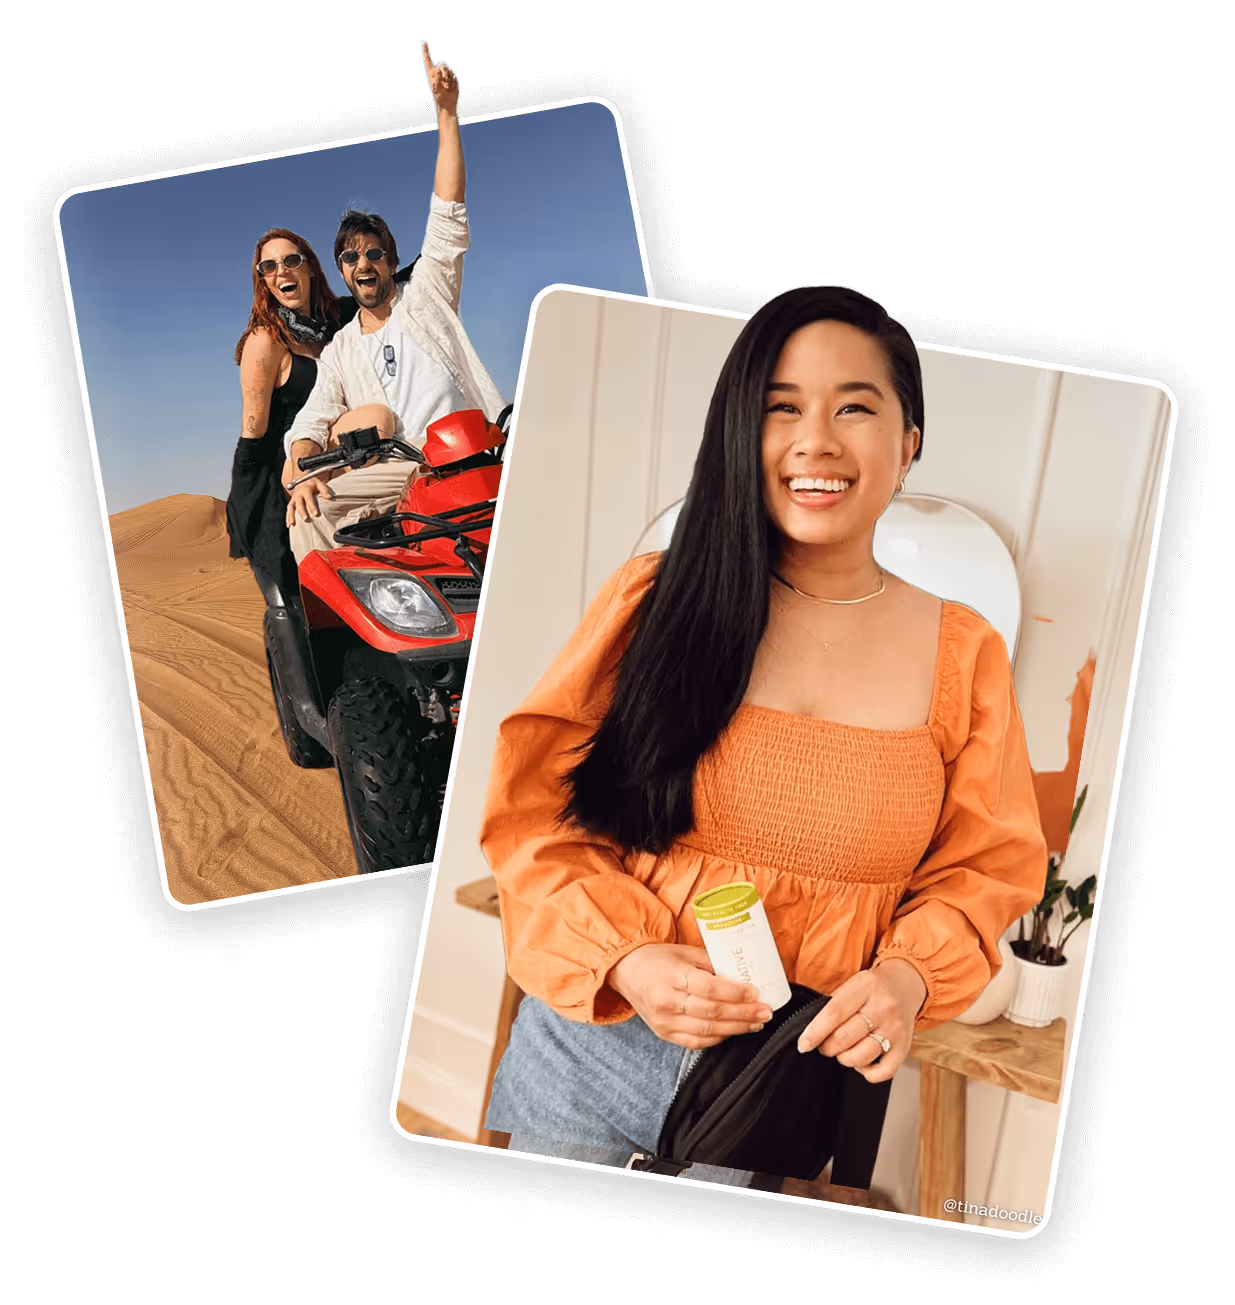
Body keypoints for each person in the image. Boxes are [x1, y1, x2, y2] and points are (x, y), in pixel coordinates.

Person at [477, 286, 1049, 1191]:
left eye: (854, 407)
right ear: (740, 434)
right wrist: (624, 954)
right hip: (586, 1057)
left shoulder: (966, 653)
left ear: (907, 444)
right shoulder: (652, 600)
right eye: (780, 408)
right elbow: (531, 816)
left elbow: (984, 871)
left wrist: (904, 980)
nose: (814, 439)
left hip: (777, 1085)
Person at [282, 43, 506, 565]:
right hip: (404, 468)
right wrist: (303, 469)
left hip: (473, 451)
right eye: (351, 256)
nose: (364, 264)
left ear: (391, 261)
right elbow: (313, 420)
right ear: (341, 270)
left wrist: (446, 114)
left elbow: (448, 208)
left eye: (375, 253)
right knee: (308, 515)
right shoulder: (339, 350)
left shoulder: (427, 291)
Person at [226, 229, 420, 600]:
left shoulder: (339, 317)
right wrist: (250, 515)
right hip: (293, 461)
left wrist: (433, 254)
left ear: (310, 269)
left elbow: (388, 282)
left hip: (347, 451)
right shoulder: (265, 342)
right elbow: (253, 435)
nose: (282, 271)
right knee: (377, 418)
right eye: (269, 266)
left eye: (291, 261)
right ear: (263, 280)